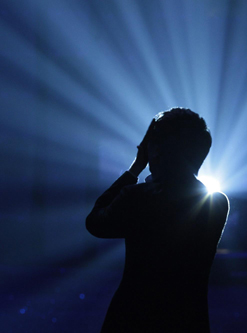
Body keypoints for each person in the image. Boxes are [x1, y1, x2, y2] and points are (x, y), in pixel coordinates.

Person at [86, 108, 229, 332]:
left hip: (132, 320)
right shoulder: (218, 204)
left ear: (158, 150)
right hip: (189, 322)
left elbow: (94, 222)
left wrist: (134, 169)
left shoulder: (137, 197)